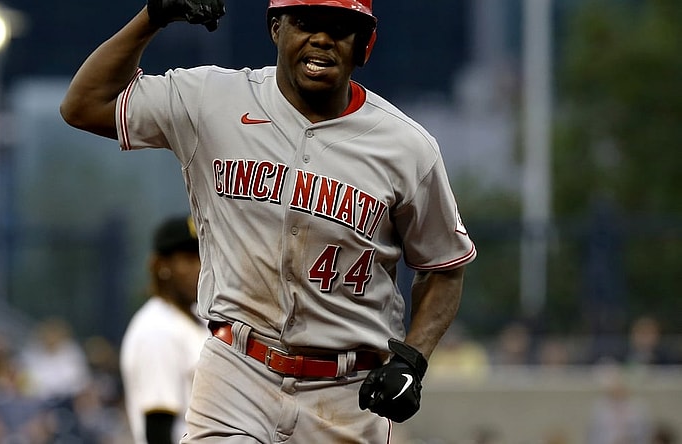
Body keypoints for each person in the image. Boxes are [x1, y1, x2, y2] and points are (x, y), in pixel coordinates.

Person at [61, 0, 476, 442]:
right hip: (238, 371)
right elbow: (84, 105)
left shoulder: (407, 147)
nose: (321, 38)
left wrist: (412, 359)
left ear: (364, 45)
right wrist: (152, 17)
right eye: (305, 23)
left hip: (349, 391)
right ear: (276, 29)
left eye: (340, 27)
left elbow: (444, 268)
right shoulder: (211, 100)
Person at [120, 215, 206, 444]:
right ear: (162, 266)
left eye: (202, 257)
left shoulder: (199, 319)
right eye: (188, 259)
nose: (199, 268)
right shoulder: (157, 329)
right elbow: (158, 428)